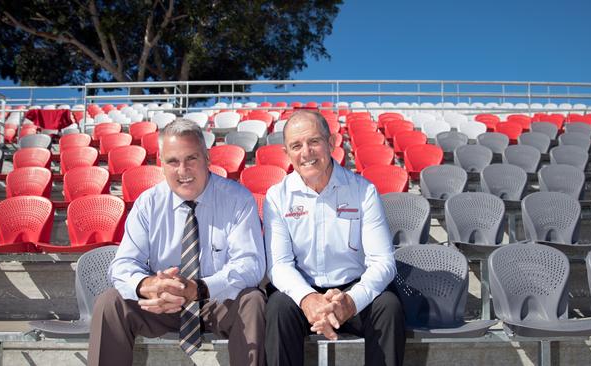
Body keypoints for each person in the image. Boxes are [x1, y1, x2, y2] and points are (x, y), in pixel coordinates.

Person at [88, 119, 266, 366]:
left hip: (218, 302)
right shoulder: (148, 203)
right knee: (110, 302)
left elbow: (251, 265)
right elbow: (123, 264)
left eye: (191, 158)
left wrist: (199, 288)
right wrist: (148, 285)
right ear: (162, 164)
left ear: (207, 158)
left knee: (253, 300)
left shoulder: (237, 199)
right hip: (163, 305)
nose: (183, 170)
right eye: (173, 161)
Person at [263, 110, 405, 366]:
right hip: (302, 291)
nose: (306, 152)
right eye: (296, 145)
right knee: (277, 308)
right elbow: (279, 265)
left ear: (330, 143)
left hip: (354, 289)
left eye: (314, 141)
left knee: (389, 307)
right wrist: (308, 299)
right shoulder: (277, 196)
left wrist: (350, 302)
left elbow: (383, 262)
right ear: (287, 153)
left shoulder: (363, 191)